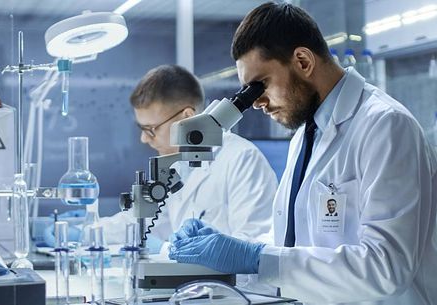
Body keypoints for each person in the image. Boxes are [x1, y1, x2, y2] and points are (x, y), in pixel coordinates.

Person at [169, 2, 437, 305]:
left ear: (303, 61)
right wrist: (230, 249)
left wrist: (254, 257)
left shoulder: (385, 125)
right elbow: (292, 245)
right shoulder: (304, 136)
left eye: (260, 86)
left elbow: (385, 268)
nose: (256, 103)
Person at [44, 65, 278, 250]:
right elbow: (143, 223)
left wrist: (168, 250)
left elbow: (255, 250)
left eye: (151, 129)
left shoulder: (242, 160)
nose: (144, 140)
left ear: (186, 117)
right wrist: (84, 231)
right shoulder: (178, 165)